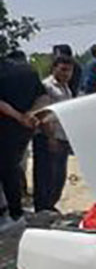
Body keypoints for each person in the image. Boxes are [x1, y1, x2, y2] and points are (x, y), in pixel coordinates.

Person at [0, 50, 49, 223]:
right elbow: (44, 97)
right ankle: (15, 211)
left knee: (7, 171)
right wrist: (30, 115)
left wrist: (19, 116)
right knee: (12, 169)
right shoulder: (30, 71)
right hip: (24, 131)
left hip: (5, 127)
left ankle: (12, 212)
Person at [33, 56, 74, 213]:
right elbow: (43, 114)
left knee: (58, 176)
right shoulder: (47, 86)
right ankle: (43, 207)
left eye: (69, 70)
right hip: (48, 136)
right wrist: (50, 137)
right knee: (46, 175)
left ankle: (50, 205)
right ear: (54, 68)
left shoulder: (66, 88)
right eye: (63, 69)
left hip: (61, 136)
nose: (66, 73)